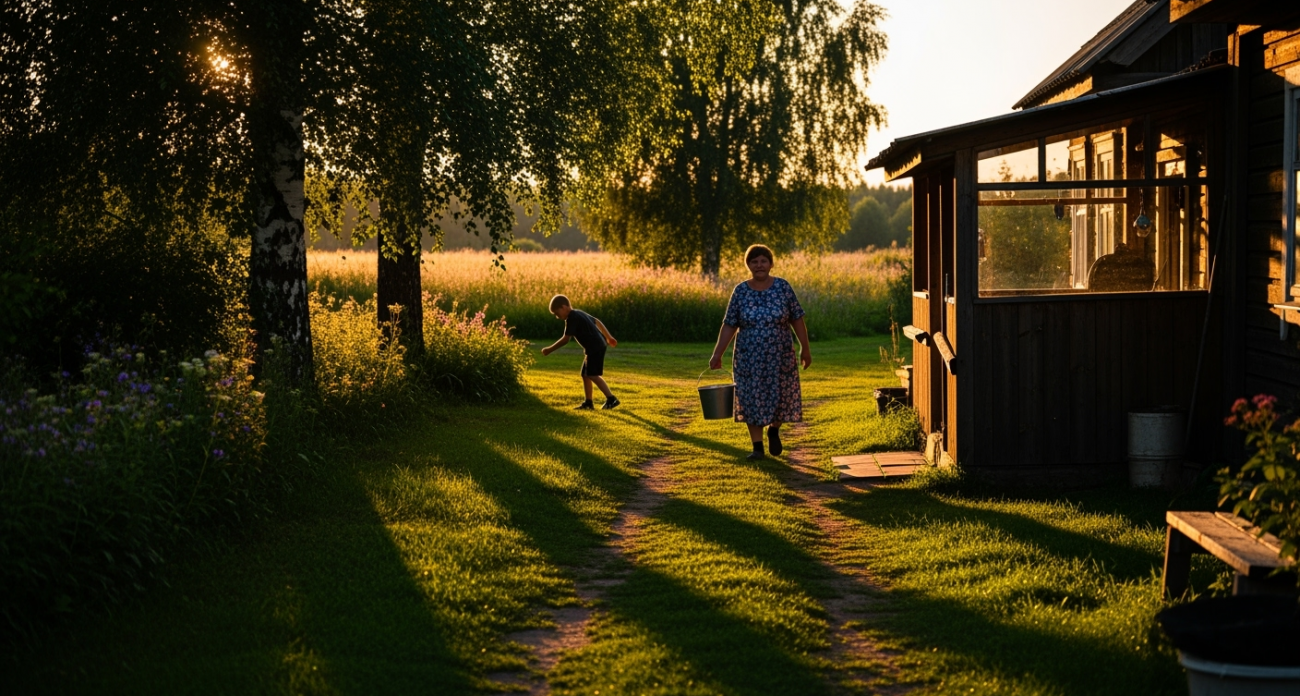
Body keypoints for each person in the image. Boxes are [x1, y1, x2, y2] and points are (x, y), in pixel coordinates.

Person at [709, 244, 811, 460]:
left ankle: (774, 429)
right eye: (754, 261)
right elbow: (729, 324)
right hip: (749, 357)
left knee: (781, 394)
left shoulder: (783, 287)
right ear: (749, 265)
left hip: (780, 355)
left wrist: (805, 348)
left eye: (763, 260)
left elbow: (797, 318)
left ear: (771, 264)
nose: (759, 265)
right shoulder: (741, 291)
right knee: (749, 397)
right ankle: (757, 448)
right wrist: (717, 354)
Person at [541, 295, 621, 410]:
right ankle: (588, 403)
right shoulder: (578, 313)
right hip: (596, 345)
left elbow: (566, 339)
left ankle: (611, 399)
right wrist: (608, 337)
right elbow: (597, 321)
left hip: (595, 347)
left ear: (563, 307)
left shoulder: (572, 318)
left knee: (592, 374)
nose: (557, 317)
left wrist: (549, 349)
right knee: (585, 374)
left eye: (556, 313)